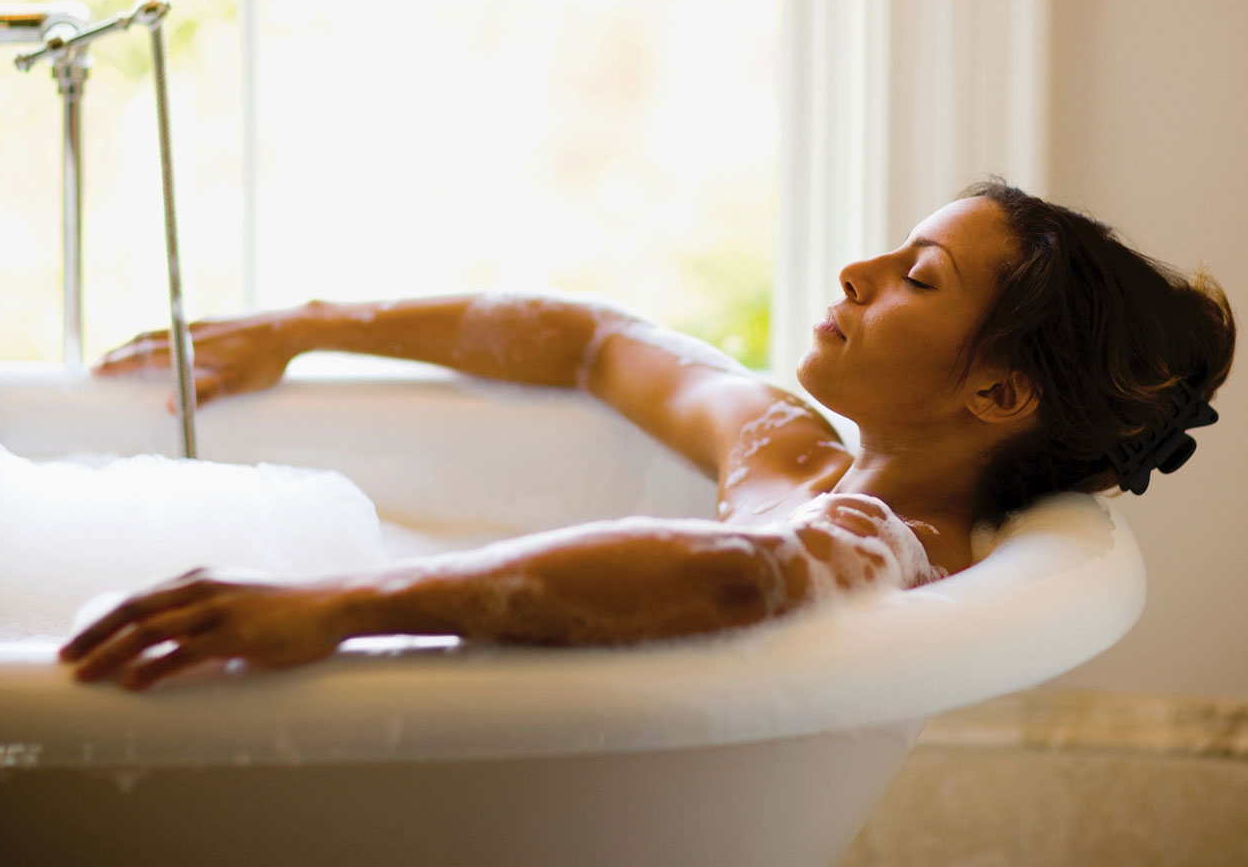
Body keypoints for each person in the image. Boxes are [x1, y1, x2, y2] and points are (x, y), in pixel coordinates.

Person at [59, 181, 1234, 690]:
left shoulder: (893, 543)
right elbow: (596, 342)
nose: (857, 270)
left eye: (917, 277)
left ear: (1000, 394)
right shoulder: (798, 459)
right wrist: (307, 325)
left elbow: (733, 578)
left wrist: (346, 605)